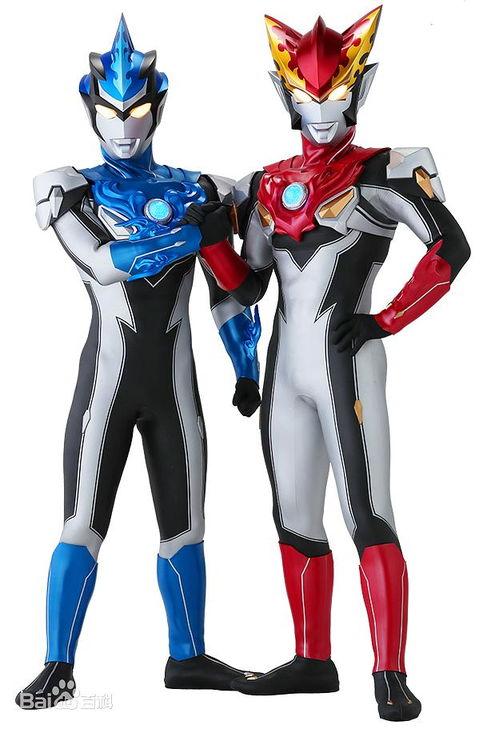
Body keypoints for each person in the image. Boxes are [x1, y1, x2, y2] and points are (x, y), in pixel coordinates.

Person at [196, 7, 470, 720]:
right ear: (284, 94)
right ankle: (313, 659)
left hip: (348, 361)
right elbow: (247, 286)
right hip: (288, 368)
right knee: (293, 514)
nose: (321, 108)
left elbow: (449, 248)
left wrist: (385, 319)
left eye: (335, 93)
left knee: (368, 512)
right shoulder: (266, 183)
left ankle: (390, 672)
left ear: (358, 90)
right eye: (307, 95)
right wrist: (211, 240)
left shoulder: (382, 170)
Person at [16, 16, 260, 710]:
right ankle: (57, 665)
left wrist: (246, 365)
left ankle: (188, 656)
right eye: (112, 112)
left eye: (138, 111)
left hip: (176, 385)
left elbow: (235, 292)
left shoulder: (203, 187)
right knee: (82, 522)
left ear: (159, 106)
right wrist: (193, 236)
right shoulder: (69, 186)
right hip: (108, 382)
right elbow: (104, 261)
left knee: (186, 525)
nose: (125, 126)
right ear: (90, 107)